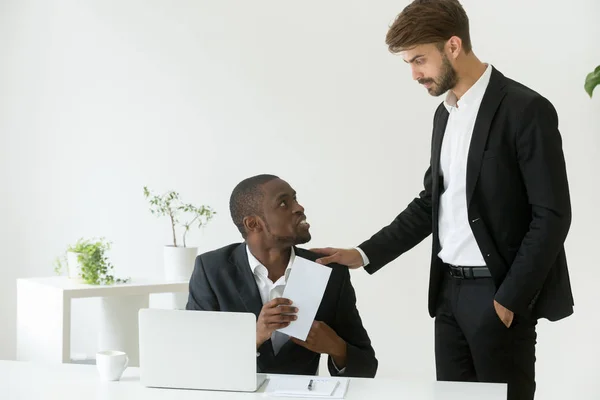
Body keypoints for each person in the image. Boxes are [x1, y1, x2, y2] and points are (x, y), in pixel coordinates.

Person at [311, 1, 573, 399]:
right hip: (448, 295)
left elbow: (552, 215)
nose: (415, 74)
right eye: (408, 64)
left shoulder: (526, 109)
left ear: (453, 46)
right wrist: (363, 253)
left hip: (497, 293)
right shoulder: (445, 114)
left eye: (419, 60)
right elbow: (431, 202)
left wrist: (509, 300)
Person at [186, 174, 377, 378]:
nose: (299, 207)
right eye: (284, 203)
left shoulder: (328, 271)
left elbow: (367, 367)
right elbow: (195, 358)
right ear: (253, 224)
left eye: (295, 198)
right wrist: (254, 337)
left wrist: (337, 348)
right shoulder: (211, 270)